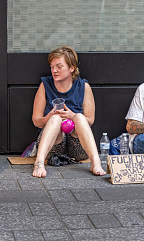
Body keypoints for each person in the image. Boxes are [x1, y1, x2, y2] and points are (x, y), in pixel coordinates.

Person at [31, 46, 105, 177]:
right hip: (53, 147)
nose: (54, 70)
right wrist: (48, 117)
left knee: (80, 118)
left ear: (72, 68)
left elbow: (90, 120)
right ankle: (39, 163)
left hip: (78, 146)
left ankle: (96, 162)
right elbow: (36, 121)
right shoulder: (45, 85)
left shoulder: (83, 86)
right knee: (55, 119)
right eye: (52, 66)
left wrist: (73, 116)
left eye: (59, 66)